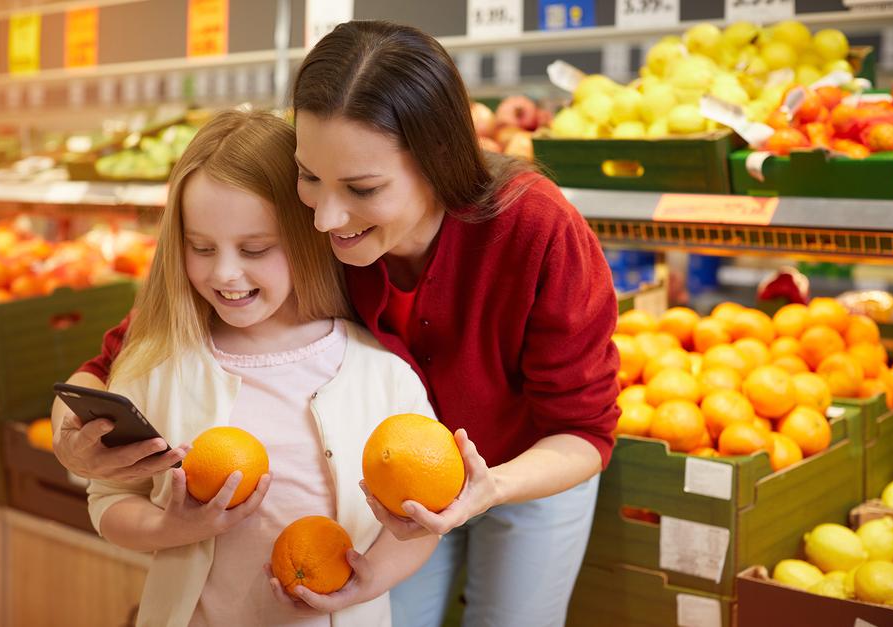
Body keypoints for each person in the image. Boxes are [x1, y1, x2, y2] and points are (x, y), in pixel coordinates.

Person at [55, 20, 621, 627]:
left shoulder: (536, 230)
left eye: (362, 188)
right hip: (390, 480)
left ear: (439, 161)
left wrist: (490, 488)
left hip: (524, 467)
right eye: (309, 176)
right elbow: (129, 349)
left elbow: (583, 431)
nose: (325, 217)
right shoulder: (312, 228)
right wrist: (73, 436)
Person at [81, 109, 438, 627]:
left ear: (309, 238)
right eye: (201, 247)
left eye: (255, 249)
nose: (226, 272)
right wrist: (169, 530)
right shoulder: (155, 366)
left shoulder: (382, 377)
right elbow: (109, 496)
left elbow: (423, 518)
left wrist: (370, 580)